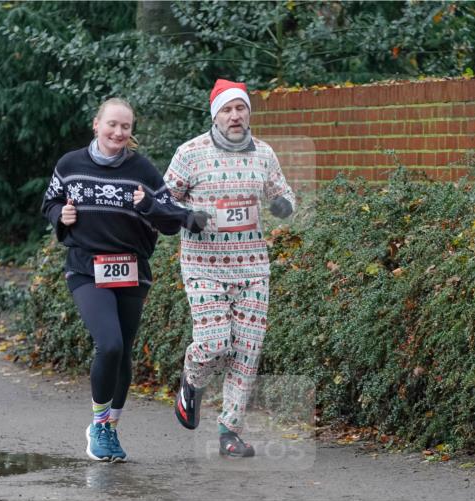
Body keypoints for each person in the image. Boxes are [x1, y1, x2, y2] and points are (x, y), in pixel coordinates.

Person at [41, 97, 206, 463]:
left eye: (126, 127)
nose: (118, 132)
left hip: (132, 269)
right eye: (112, 124)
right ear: (96, 124)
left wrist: (148, 203)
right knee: (110, 344)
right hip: (86, 267)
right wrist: (61, 214)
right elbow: (49, 201)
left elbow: (169, 219)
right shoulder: (70, 164)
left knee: (124, 354)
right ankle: (98, 424)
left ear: (131, 132)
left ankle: (111, 428)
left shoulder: (142, 170)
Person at [166, 79, 295, 458]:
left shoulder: (264, 154)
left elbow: (283, 193)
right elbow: (161, 202)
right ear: (215, 115)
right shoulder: (190, 154)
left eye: (241, 108)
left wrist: (284, 205)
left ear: (249, 113)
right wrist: (187, 217)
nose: (235, 116)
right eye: (227, 110)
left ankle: (230, 432)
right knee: (216, 343)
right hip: (204, 266)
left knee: (247, 351)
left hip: (253, 267)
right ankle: (192, 381)